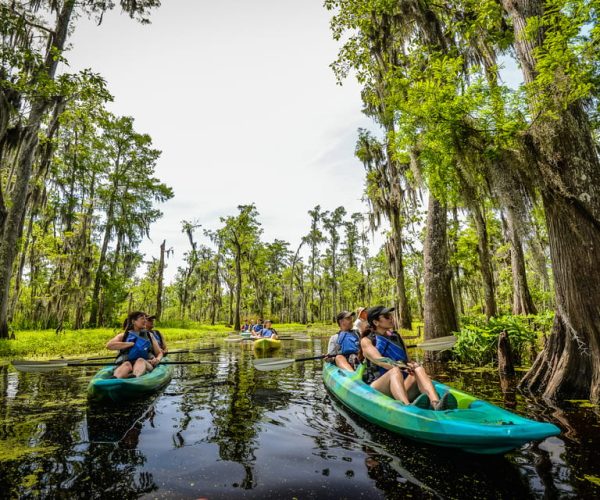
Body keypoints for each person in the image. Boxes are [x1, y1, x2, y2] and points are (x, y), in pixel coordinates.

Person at [360, 305, 457, 410]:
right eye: (387, 316)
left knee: (418, 369)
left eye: (390, 315)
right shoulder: (367, 341)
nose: (391, 318)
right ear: (375, 322)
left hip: (400, 386)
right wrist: (402, 366)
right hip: (379, 387)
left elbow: (408, 360)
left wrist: (412, 365)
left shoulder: (397, 337)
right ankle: (407, 407)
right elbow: (380, 361)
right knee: (395, 370)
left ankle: (435, 403)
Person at [106, 311, 163, 379]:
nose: (145, 321)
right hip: (127, 362)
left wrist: (157, 359)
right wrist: (130, 344)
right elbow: (109, 345)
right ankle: (115, 379)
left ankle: (134, 378)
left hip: (146, 363)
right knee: (126, 364)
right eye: (142, 318)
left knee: (140, 360)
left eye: (145, 318)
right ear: (133, 321)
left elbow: (159, 353)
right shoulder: (124, 335)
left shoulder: (149, 335)